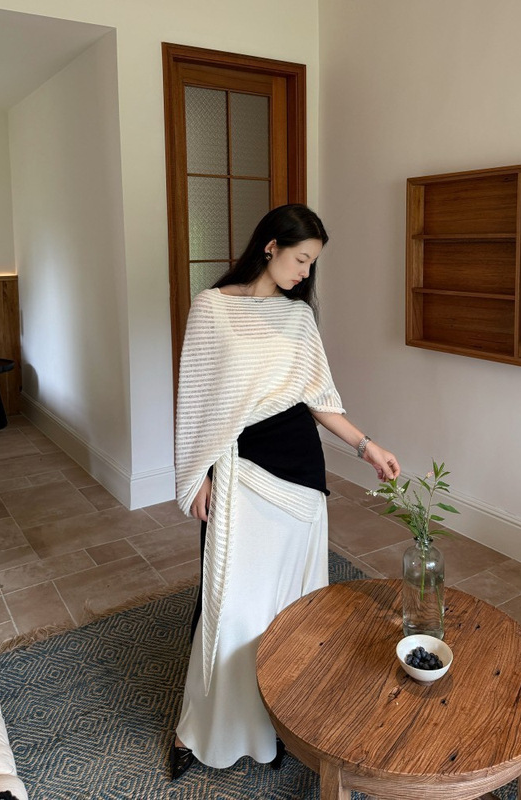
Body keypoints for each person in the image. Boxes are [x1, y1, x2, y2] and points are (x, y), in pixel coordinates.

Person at [170, 204, 400, 778]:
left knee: (291, 606)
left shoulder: (298, 318)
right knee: (230, 605)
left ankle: (282, 719)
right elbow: (195, 398)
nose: (305, 273)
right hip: (239, 469)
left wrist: (367, 446)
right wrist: (197, 474)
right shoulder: (211, 308)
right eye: (300, 259)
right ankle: (205, 728)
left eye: (312, 263)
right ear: (270, 246)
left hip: (299, 471)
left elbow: (318, 398)